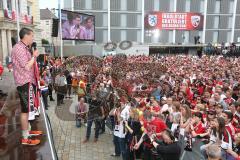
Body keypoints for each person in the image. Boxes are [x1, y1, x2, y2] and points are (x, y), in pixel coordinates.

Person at [11, 28, 41, 145]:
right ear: (26, 36)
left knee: (28, 109)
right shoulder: (18, 48)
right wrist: (33, 57)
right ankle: (25, 138)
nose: (33, 38)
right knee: (25, 110)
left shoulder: (24, 48)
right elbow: (27, 67)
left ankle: (28, 131)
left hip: (28, 82)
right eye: (32, 36)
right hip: (24, 83)